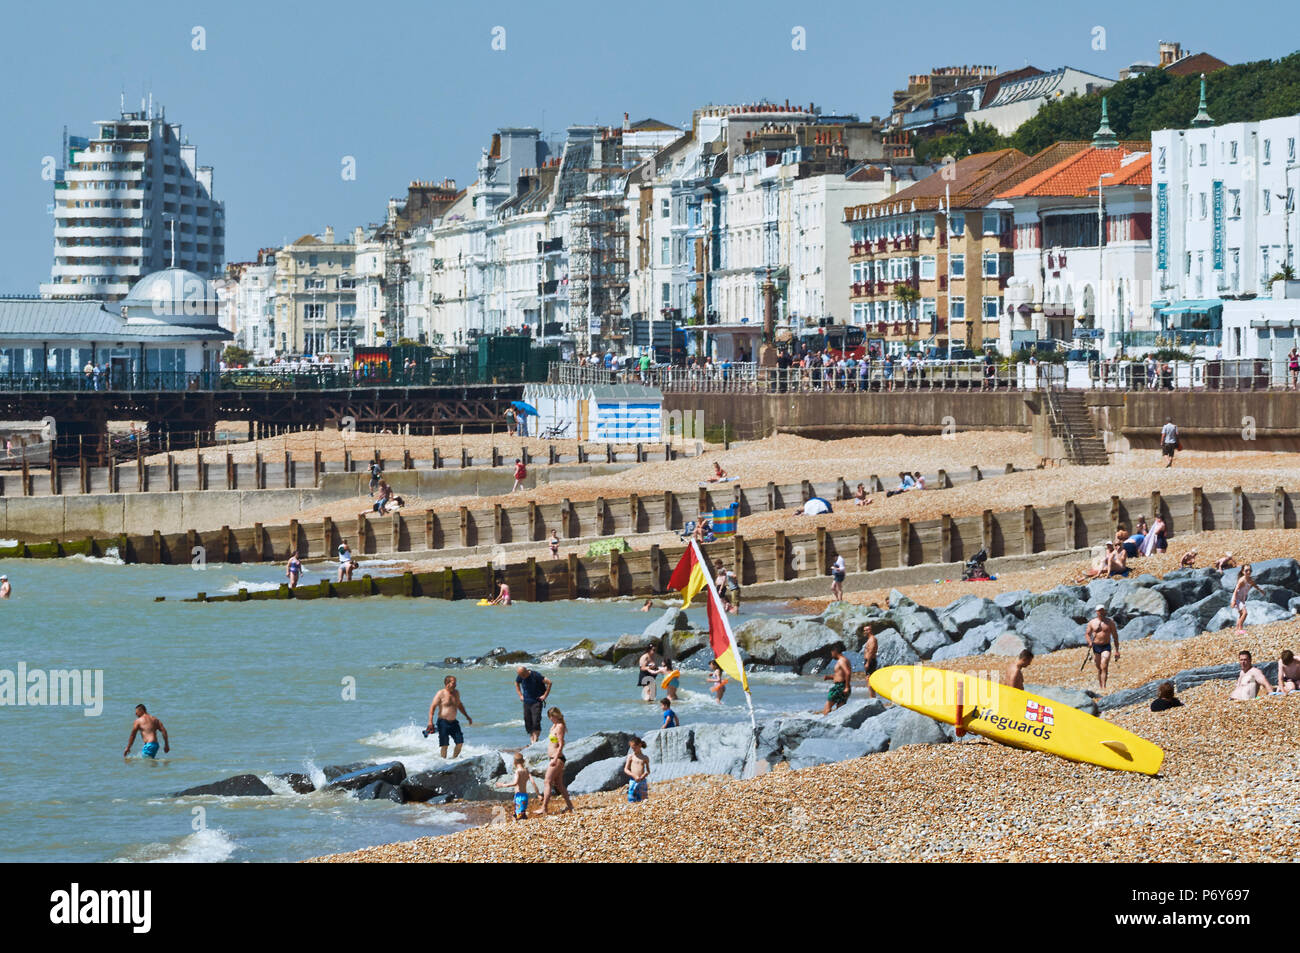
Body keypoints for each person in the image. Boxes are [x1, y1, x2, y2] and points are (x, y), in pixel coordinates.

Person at [425, 675, 472, 759]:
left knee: (460, 743)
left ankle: (453, 760)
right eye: (454, 683)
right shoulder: (441, 693)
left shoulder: (456, 693)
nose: (455, 685)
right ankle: (444, 762)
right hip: (443, 722)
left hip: (454, 722)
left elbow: (459, 705)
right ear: (447, 683)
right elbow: (432, 707)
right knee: (444, 745)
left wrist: (467, 716)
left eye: (455, 683)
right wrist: (430, 722)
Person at [540, 707, 574, 815]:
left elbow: (561, 744)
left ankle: (544, 808)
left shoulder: (560, 726)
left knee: (547, 781)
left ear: (557, 715)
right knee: (559, 784)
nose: (551, 719)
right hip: (554, 757)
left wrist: (555, 758)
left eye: (552, 716)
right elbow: (552, 743)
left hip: (557, 758)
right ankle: (570, 806)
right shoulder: (553, 727)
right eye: (550, 717)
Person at [1084, 605, 1119, 691]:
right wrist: (1089, 642)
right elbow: (1087, 634)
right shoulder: (1092, 622)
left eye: (1102, 610)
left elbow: (1115, 635)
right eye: (1099, 611)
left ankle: (1104, 686)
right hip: (1096, 646)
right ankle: (1101, 685)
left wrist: (1117, 650)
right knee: (1099, 667)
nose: (1101, 612)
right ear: (1096, 612)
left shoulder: (1110, 622)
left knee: (1104, 665)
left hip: (1106, 646)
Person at [515, 665, 552, 743]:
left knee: (536, 721)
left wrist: (545, 695)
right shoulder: (520, 676)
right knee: (527, 721)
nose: (522, 677)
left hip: (536, 701)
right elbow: (516, 683)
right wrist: (520, 695)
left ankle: (535, 740)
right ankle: (532, 739)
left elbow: (549, 682)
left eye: (523, 675)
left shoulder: (535, 675)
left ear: (526, 671)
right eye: (520, 675)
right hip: (526, 701)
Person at [1229, 564, 1264, 634]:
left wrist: (1261, 590)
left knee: (1241, 614)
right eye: (1246, 570)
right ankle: (1240, 628)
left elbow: (1254, 585)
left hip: (1242, 599)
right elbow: (1235, 590)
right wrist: (1233, 601)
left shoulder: (1250, 580)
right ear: (1242, 571)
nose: (1248, 572)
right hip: (1237, 598)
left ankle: (1237, 629)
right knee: (1245, 613)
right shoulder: (1242, 580)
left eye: (1250, 570)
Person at [821, 643, 852, 714]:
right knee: (840, 709)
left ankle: (825, 722)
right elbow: (841, 675)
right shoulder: (844, 660)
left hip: (840, 687)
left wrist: (847, 687)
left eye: (831, 652)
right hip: (842, 686)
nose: (831, 654)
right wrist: (830, 677)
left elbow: (848, 673)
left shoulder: (842, 661)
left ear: (835, 651)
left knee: (827, 707)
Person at [623, 736, 650, 803]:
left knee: (643, 799)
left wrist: (644, 775)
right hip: (633, 780)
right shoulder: (631, 756)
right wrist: (633, 775)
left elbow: (648, 770)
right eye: (632, 748)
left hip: (642, 780)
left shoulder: (645, 757)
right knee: (632, 798)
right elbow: (626, 769)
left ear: (640, 745)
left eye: (634, 748)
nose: (633, 749)